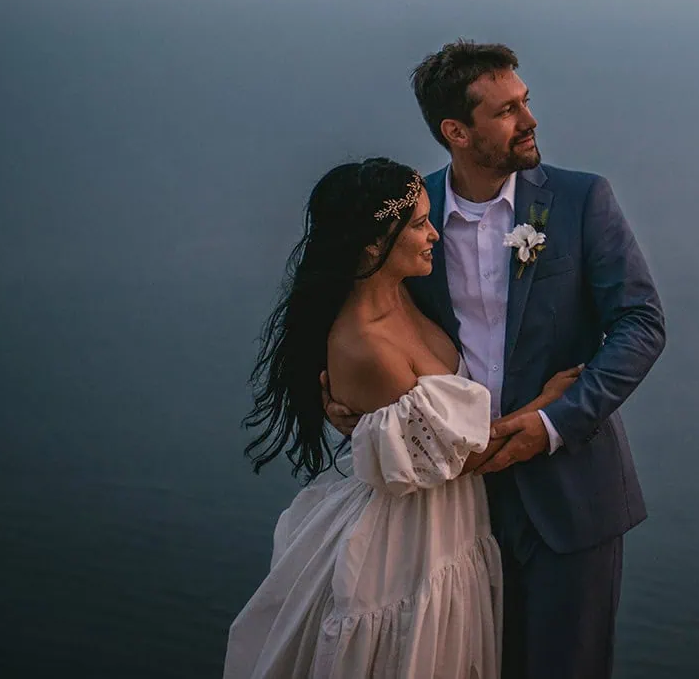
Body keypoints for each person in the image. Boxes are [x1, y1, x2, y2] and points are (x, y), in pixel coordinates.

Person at [324, 42, 666, 679]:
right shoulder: (413, 215)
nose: (530, 120)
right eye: (507, 111)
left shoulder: (582, 199)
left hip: (570, 499)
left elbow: (641, 325)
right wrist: (361, 413)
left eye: (525, 102)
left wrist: (551, 422)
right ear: (456, 131)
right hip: (449, 507)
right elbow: (364, 317)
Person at [224, 157, 580, 679]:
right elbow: (468, 456)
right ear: (371, 245)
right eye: (418, 224)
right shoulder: (367, 344)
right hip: (406, 543)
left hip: (447, 522)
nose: (435, 234)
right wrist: (547, 404)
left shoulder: (407, 291)